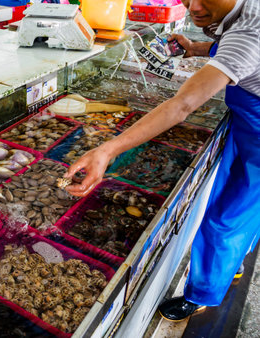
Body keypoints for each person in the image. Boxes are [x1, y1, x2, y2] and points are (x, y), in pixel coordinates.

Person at [64, 0, 260, 321]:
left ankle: (203, 294)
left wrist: (107, 150)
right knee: (241, 203)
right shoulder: (244, 12)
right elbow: (234, 49)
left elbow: (183, 103)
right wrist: (197, 49)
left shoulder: (251, 31)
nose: (193, 7)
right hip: (248, 123)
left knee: (223, 221)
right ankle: (235, 258)